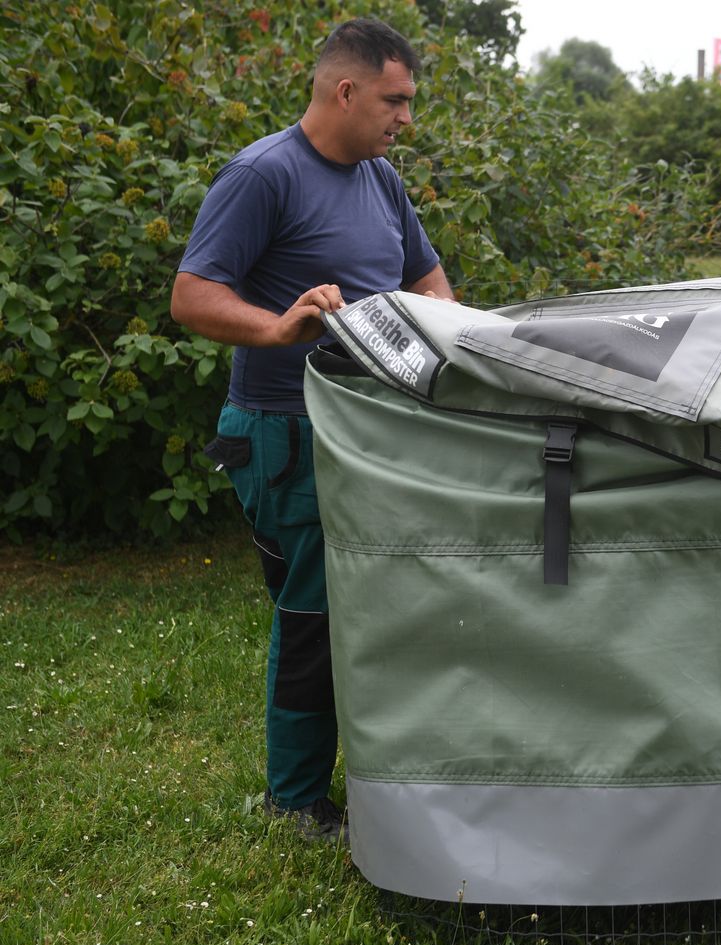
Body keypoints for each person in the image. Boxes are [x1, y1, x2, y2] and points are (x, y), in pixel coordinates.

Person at [171, 18, 453, 844]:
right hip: (283, 431)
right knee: (315, 615)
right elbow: (192, 295)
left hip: (371, 429)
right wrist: (277, 326)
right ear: (347, 90)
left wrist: (449, 322)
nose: (406, 119)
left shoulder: (381, 180)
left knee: (366, 610)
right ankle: (295, 802)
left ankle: (372, 777)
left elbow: (429, 282)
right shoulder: (264, 175)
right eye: (396, 101)